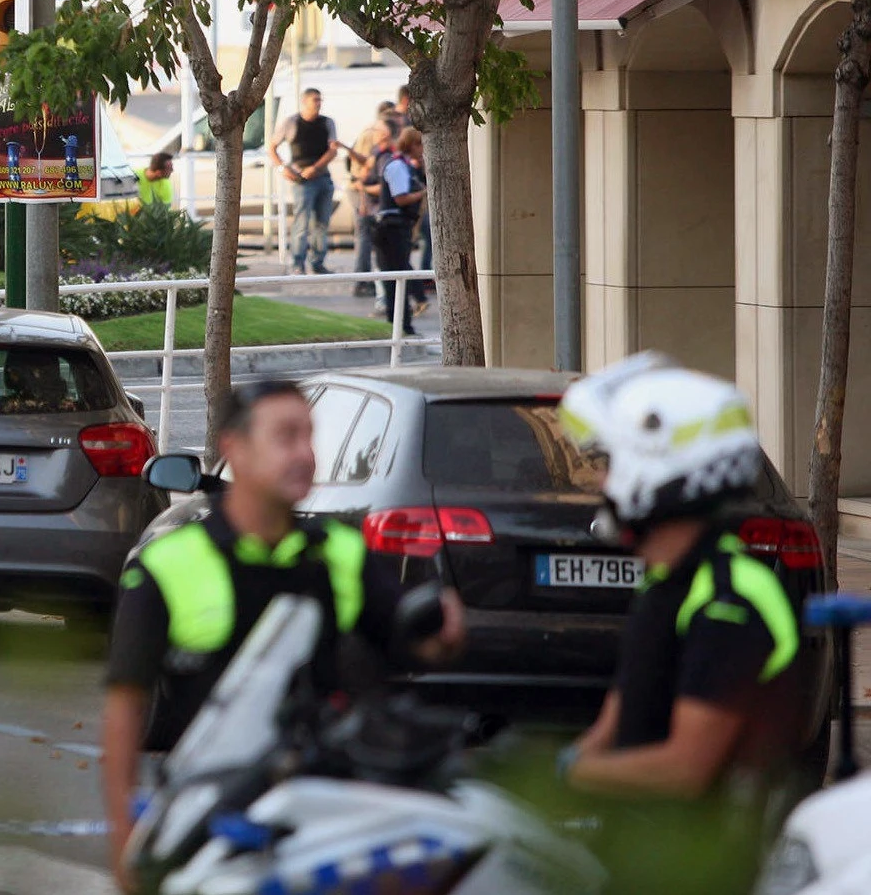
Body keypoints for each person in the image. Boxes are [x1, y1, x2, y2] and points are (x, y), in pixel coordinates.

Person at [101, 380, 466, 890]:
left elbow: (410, 643)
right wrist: (125, 840)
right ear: (235, 448)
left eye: (310, 437)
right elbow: (125, 707)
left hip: (320, 811)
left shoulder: (338, 550)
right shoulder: (169, 562)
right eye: (287, 437)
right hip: (206, 809)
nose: (306, 454)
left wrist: (442, 635)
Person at [554, 353, 806, 894]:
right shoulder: (666, 584)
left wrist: (560, 777)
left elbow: (686, 769)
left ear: (658, 470)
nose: (600, 478)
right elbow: (619, 717)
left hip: (708, 870)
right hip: (637, 858)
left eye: (611, 461)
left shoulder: (729, 599)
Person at [267, 89, 339, 275]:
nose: (318, 103)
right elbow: (272, 147)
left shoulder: (327, 122)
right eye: (314, 100)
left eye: (319, 100)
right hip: (301, 179)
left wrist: (315, 168)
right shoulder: (291, 122)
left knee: (322, 223)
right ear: (304, 101)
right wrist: (283, 168)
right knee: (301, 221)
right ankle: (297, 262)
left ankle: (318, 262)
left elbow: (332, 150)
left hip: (322, 176)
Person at [366, 126, 427, 335]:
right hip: (391, 228)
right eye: (420, 144)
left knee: (398, 274)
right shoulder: (398, 167)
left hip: (397, 226)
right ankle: (401, 325)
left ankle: (401, 323)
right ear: (413, 145)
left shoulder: (406, 166)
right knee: (396, 276)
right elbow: (401, 197)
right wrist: (423, 193)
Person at [341, 103, 398, 299]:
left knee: (368, 238)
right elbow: (363, 174)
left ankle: (366, 281)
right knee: (367, 237)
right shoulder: (375, 143)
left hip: (365, 195)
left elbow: (362, 170)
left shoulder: (379, 150)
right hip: (364, 195)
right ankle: (364, 282)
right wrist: (364, 195)